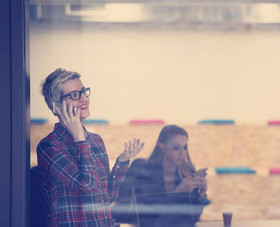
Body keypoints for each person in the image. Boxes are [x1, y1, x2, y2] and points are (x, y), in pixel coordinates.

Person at [37, 68, 144, 226]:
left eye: (84, 92)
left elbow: (107, 197)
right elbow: (88, 188)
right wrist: (79, 137)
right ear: (57, 107)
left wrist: (122, 161)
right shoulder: (49, 147)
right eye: (75, 95)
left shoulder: (95, 141)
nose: (84, 98)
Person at [112, 125, 210, 225]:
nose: (182, 153)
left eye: (185, 148)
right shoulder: (142, 170)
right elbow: (148, 218)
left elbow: (192, 218)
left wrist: (202, 194)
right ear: (162, 146)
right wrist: (178, 193)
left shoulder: (188, 172)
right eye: (176, 147)